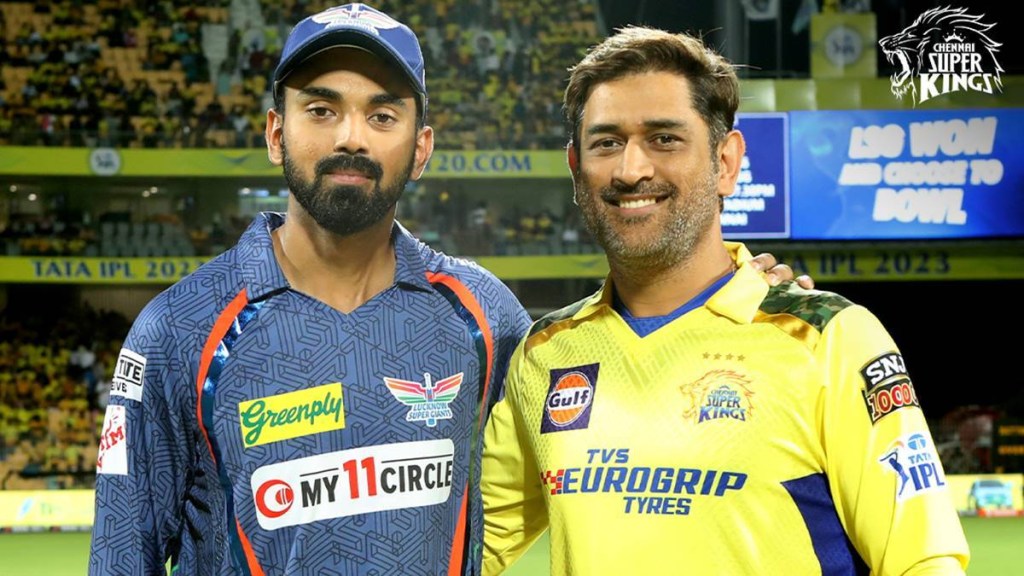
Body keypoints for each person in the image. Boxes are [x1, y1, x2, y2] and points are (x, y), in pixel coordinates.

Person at [88, 5, 806, 575]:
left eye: (383, 115)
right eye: (321, 110)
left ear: (421, 147)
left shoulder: (485, 317)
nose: (351, 137)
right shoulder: (178, 330)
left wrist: (734, 297)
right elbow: (122, 555)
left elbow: (623, 390)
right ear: (276, 133)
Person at [480, 26, 970, 576]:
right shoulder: (546, 354)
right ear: (576, 168)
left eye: (664, 139)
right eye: (606, 143)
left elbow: (921, 561)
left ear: (727, 162)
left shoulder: (828, 338)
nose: (630, 170)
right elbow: (461, 546)